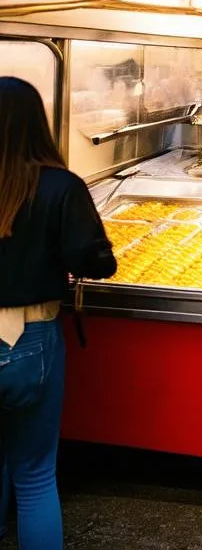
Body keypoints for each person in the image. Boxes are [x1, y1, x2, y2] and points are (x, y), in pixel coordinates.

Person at [0, 77, 117, 550]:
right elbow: (95, 260)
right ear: (37, 124)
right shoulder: (59, 186)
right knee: (33, 477)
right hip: (29, 340)